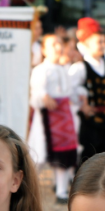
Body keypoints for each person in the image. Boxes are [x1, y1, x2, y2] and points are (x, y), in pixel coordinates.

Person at [28, 34, 79, 201]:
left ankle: (62, 190)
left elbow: (70, 93)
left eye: (59, 44)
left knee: (65, 151)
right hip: (46, 118)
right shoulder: (40, 70)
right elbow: (36, 93)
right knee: (39, 153)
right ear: (43, 50)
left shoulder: (65, 69)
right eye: (52, 45)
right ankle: (27, 186)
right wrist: (43, 97)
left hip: (64, 117)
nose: (58, 47)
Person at [69, 29, 105, 162]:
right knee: (88, 154)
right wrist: (81, 105)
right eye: (99, 42)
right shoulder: (80, 67)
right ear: (87, 45)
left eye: (104, 41)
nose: (103, 45)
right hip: (89, 120)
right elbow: (70, 89)